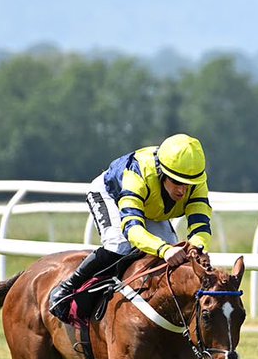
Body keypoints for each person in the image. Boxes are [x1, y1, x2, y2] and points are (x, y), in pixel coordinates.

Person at [48, 133, 214, 322]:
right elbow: (132, 228)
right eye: (176, 182)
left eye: (188, 185)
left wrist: (196, 245)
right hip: (112, 195)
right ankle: (66, 289)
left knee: (175, 259)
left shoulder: (197, 181)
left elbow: (201, 223)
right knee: (119, 245)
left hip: (151, 207)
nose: (182, 191)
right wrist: (164, 249)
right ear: (161, 172)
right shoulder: (137, 173)